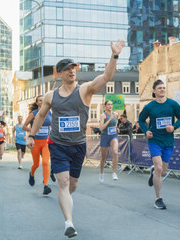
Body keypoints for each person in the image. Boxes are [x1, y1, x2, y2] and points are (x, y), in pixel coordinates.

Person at [26, 39, 125, 238]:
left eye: (74, 68)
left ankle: (65, 200)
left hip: (78, 145)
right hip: (58, 144)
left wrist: (115, 55)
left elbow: (106, 77)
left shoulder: (85, 89)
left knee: (72, 185)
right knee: (62, 182)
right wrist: (31, 135)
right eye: (67, 69)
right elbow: (41, 116)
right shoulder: (50, 96)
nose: (72, 71)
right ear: (59, 73)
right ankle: (68, 223)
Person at [138, 79, 180, 209]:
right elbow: (141, 120)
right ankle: (158, 198)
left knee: (162, 171)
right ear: (154, 91)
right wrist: (146, 130)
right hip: (155, 141)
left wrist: (174, 127)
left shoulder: (172, 104)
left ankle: (153, 172)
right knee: (159, 168)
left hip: (168, 141)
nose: (162, 90)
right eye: (159, 88)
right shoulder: (149, 107)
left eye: (164, 88)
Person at [23, 95, 53, 195]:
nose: (42, 102)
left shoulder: (49, 113)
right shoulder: (34, 113)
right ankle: (31, 174)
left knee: (45, 162)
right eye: (40, 101)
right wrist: (32, 130)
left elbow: (52, 125)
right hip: (35, 142)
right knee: (36, 164)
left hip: (45, 142)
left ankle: (46, 186)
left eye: (43, 100)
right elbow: (24, 126)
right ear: (37, 103)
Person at [98, 100, 119, 182]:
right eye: (108, 104)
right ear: (105, 106)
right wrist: (109, 119)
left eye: (111, 104)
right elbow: (101, 128)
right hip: (105, 136)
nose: (110, 106)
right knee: (103, 158)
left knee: (115, 152)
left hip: (113, 135)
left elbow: (115, 123)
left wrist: (116, 128)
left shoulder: (116, 114)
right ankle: (101, 173)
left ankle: (114, 173)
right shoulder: (103, 115)